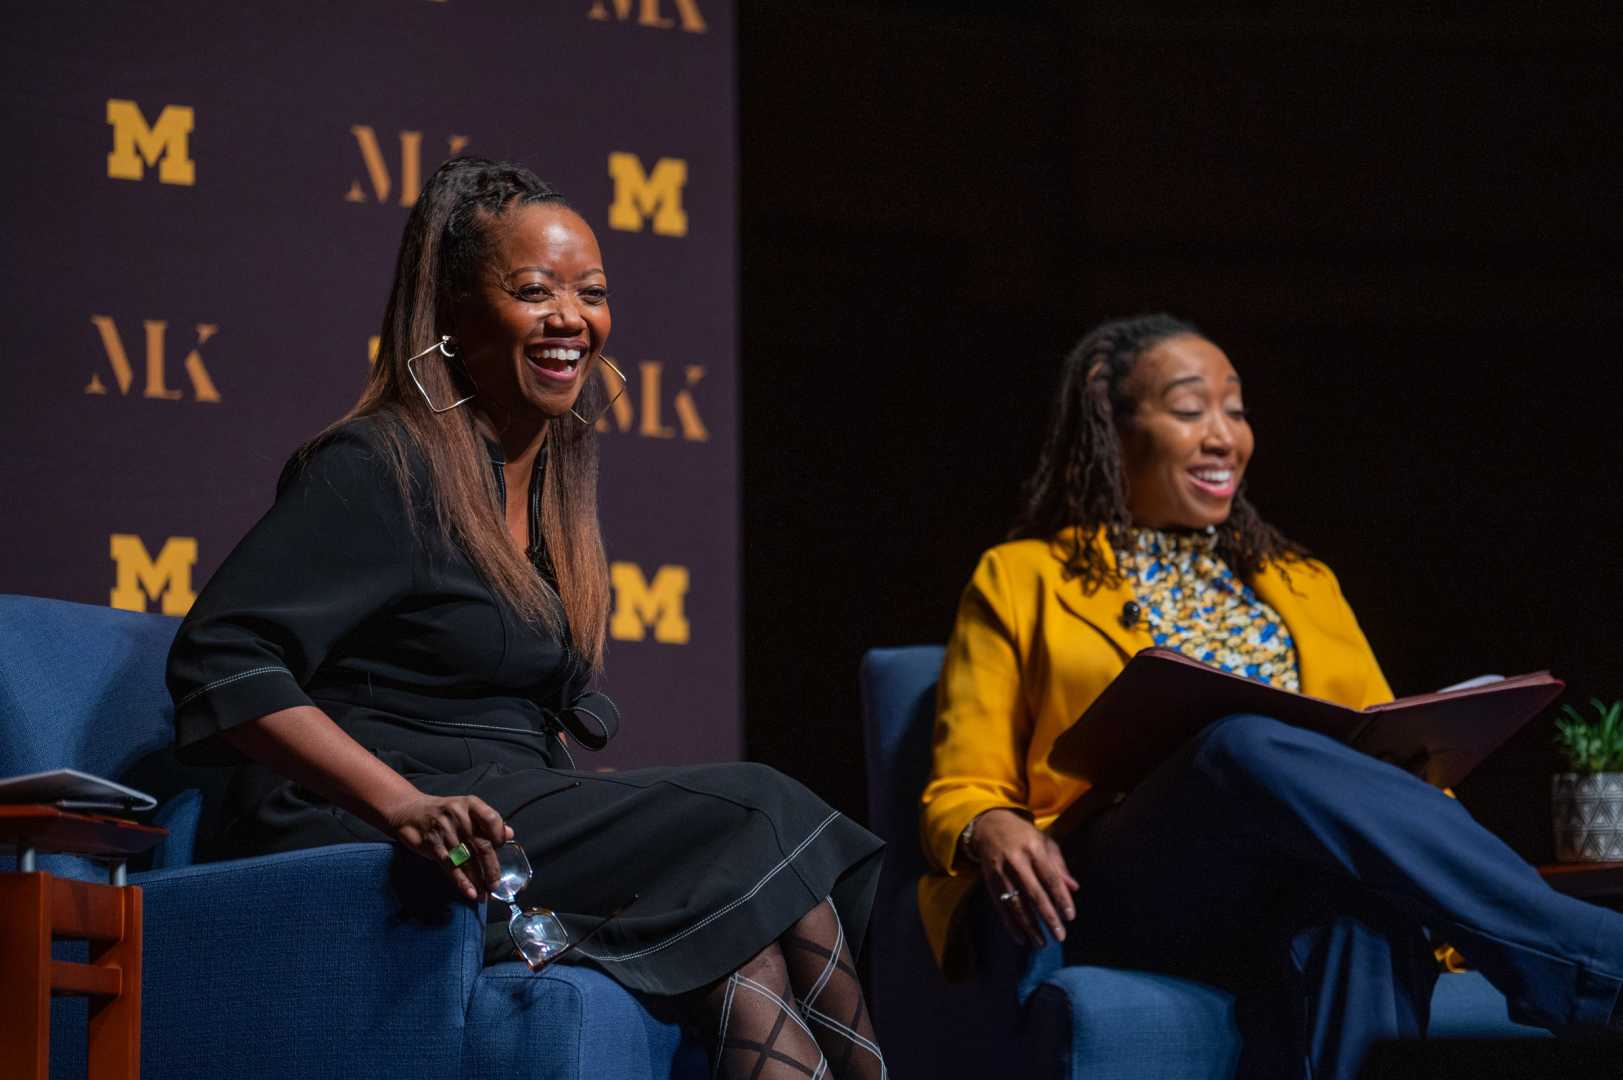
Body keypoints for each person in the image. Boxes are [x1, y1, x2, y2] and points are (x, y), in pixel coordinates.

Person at [166, 157, 886, 1080]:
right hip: (369, 814)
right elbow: (220, 655)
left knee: (742, 940)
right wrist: (401, 806)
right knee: (762, 809)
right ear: (455, 318)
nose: (569, 320)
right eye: (533, 291)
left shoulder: (543, 476)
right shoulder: (381, 464)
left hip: (497, 804)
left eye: (590, 292)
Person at [919, 313, 1623, 1076]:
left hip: (1286, 883)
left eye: (1237, 409)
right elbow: (962, 783)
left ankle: (1573, 961)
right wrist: (986, 826)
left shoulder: (1301, 583)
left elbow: (1383, 762)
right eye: (1190, 410)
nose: (1224, 435)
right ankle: (1589, 959)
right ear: (1111, 427)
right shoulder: (1021, 575)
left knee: (1363, 914)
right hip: (1126, 882)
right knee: (1238, 743)